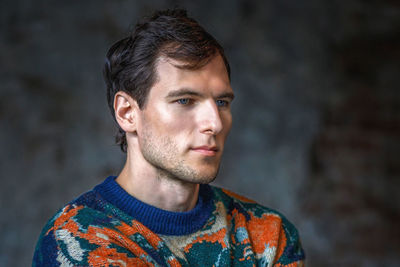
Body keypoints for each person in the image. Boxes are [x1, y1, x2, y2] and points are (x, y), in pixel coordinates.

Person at [33, 9, 305, 266]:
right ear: (128, 113)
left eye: (222, 102)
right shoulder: (76, 239)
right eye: (185, 100)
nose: (214, 123)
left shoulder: (267, 235)